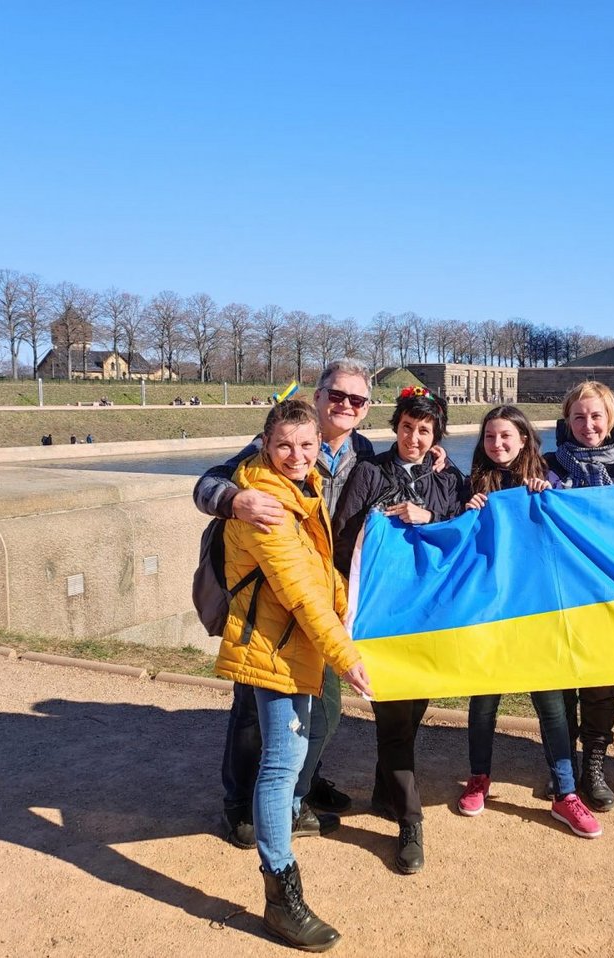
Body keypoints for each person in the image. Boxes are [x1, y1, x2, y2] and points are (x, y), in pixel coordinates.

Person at [195, 360, 380, 851]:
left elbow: (400, 486)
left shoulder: (365, 456)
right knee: (253, 713)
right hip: (270, 602)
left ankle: (301, 786)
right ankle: (241, 806)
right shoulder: (271, 454)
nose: (345, 405)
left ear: (366, 410)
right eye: (336, 395)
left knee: (323, 712)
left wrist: (432, 467)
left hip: (325, 596)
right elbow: (207, 484)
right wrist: (237, 501)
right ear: (318, 398)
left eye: (356, 400)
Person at [212, 397, 372, 950]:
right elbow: (299, 591)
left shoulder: (301, 489)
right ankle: (281, 895)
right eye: (285, 445)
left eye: (306, 445)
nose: (297, 455)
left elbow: (319, 569)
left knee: (287, 761)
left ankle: (279, 877)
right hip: (275, 649)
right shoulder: (266, 505)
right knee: (281, 769)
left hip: (289, 645)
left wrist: (349, 603)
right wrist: (346, 656)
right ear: (264, 443)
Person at [332, 387, 466, 875]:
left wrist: (428, 516)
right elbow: (344, 536)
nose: (414, 437)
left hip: (427, 621)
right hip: (382, 621)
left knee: (410, 717)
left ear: (436, 436)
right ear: (396, 427)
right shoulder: (370, 472)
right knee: (393, 723)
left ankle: (382, 793)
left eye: (424, 430)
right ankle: (411, 826)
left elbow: (472, 521)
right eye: (407, 427)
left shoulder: (447, 478)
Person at [456, 405, 602, 838]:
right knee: (483, 703)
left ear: (524, 441)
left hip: (538, 611)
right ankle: (479, 777)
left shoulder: (547, 482)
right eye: (490, 437)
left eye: (506, 437)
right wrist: (467, 512)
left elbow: (581, 524)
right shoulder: (472, 487)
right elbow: (456, 540)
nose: (497, 445)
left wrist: (549, 497)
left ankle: (565, 791)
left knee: (552, 706)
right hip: (489, 612)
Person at [543, 381, 614, 813]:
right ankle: (562, 768)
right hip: (557, 594)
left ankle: (594, 765)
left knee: (600, 688)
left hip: (605, 597)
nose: (588, 425)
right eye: (579, 417)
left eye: (596, 416)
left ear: (611, 420)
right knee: (561, 686)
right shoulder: (544, 468)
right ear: (567, 421)